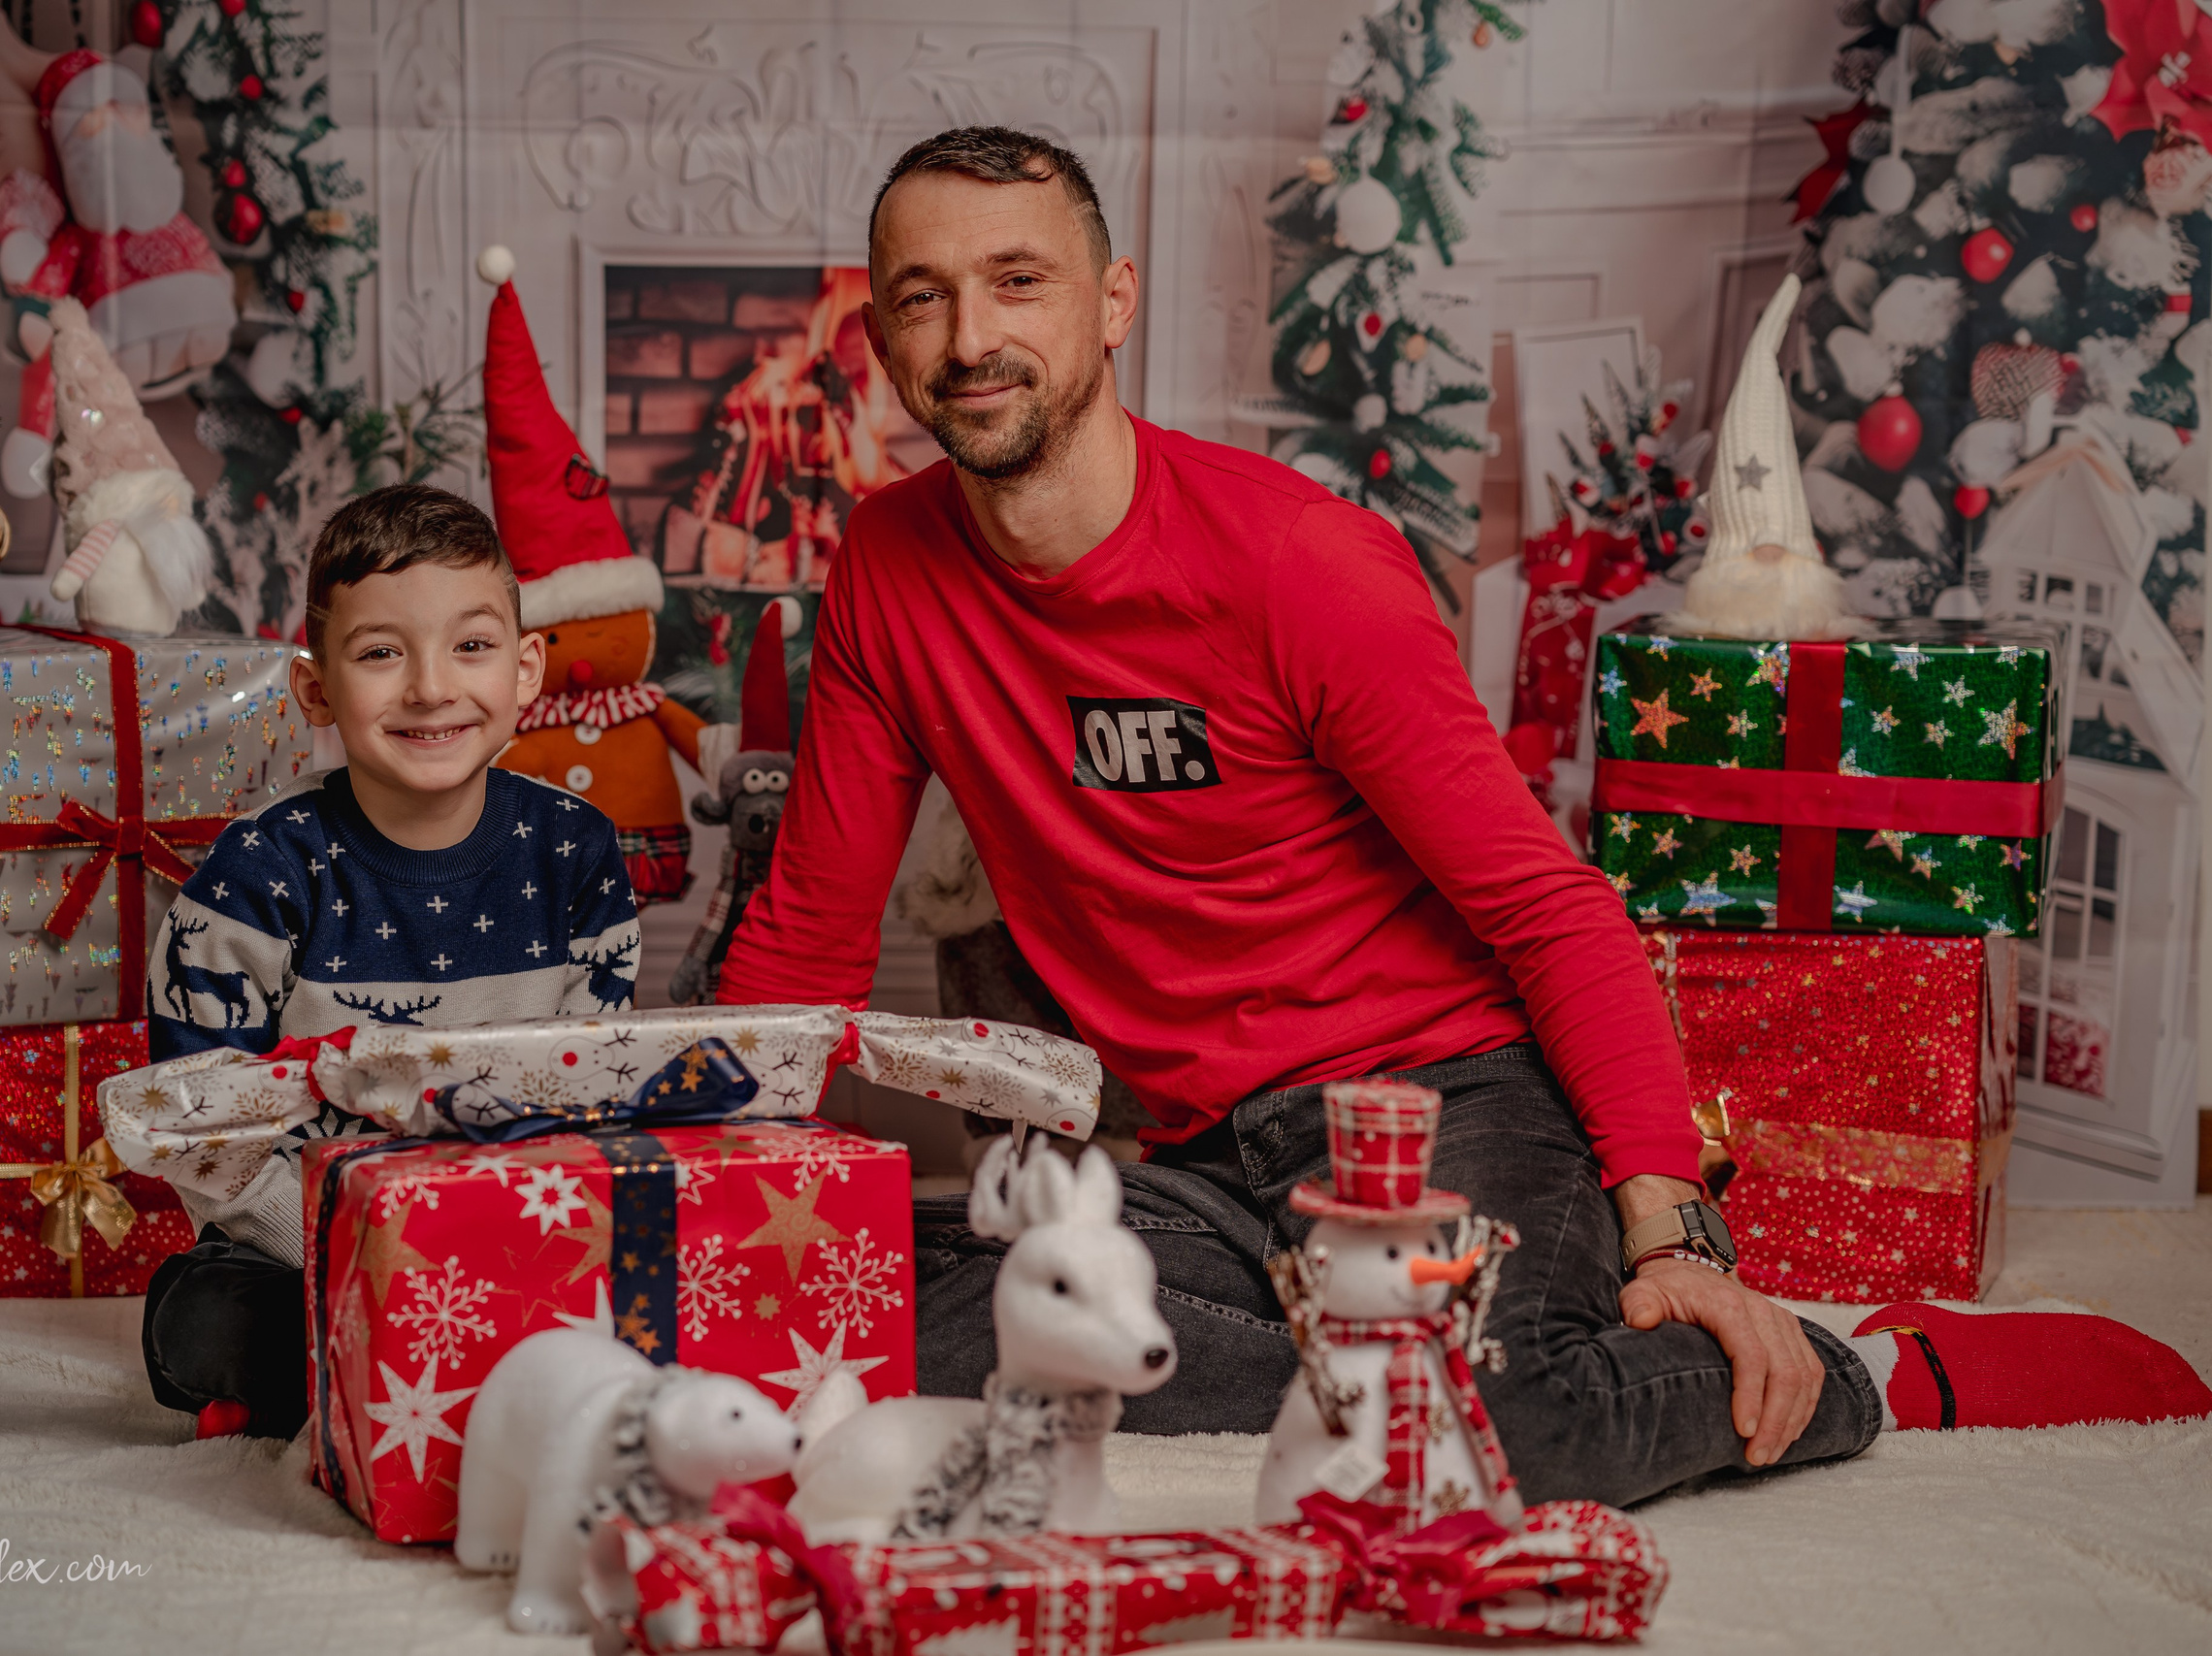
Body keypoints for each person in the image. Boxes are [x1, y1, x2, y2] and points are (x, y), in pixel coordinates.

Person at [716, 127, 2211, 1504]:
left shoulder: (1302, 565)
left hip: (1439, 1099)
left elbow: (1547, 909)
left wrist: (1671, 1226)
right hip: (1188, 1152)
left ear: (1111, 303)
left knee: (1507, 1429)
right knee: (919, 1322)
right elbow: (809, 932)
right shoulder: (890, 570)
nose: (973, 337)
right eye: (924, 296)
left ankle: (1866, 1367)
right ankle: (1367, 1357)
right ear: (883, 343)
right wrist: (699, 1182)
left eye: (1017, 281)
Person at [138, 482, 642, 1438]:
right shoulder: (255, 875)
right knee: (206, 1322)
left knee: (663, 1283)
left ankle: (416, 1375)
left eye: (472, 646)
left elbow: (595, 1086)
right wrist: (378, 1246)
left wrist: (498, 1243)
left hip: (514, 1226)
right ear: (316, 687)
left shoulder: (575, 851)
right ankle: (425, 1373)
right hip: (307, 1245)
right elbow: (205, 1130)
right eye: (380, 654)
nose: (430, 687)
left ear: (527, 667)